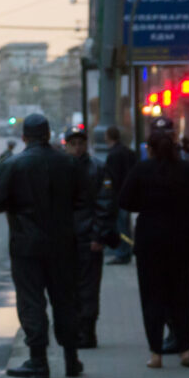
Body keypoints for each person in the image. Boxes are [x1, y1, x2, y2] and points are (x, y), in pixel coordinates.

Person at [0, 113, 84, 378]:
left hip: (27, 244)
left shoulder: (14, 164)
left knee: (31, 301)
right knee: (65, 299)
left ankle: (38, 360)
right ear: (49, 135)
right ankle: (72, 358)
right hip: (63, 244)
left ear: (24, 137)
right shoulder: (69, 163)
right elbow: (84, 199)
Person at [117, 117, 189, 369]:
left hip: (150, 238)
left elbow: (124, 201)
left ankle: (156, 354)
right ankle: (185, 350)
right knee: (182, 294)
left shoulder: (142, 170)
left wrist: (146, 205)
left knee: (152, 295)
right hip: (184, 237)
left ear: (149, 149)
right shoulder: (188, 170)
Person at [64, 126, 119, 348]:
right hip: (66, 238)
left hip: (88, 237)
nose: (77, 148)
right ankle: (73, 329)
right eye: (73, 144)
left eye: (80, 143)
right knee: (69, 287)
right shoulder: (60, 168)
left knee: (88, 287)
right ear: (66, 145)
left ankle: (87, 332)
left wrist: (99, 235)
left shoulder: (97, 167)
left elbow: (105, 204)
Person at [104, 126, 137, 265]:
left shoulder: (113, 154)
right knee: (125, 224)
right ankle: (126, 251)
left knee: (120, 225)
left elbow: (110, 178)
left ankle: (122, 253)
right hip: (128, 194)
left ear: (108, 136)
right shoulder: (128, 152)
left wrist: (108, 193)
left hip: (117, 195)